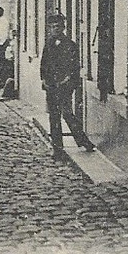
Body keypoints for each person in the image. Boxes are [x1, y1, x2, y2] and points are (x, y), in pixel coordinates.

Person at [39, 12, 95, 157]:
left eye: (57, 26)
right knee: (54, 116)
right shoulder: (49, 44)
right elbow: (44, 64)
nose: (54, 29)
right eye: (51, 27)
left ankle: (84, 141)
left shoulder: (70, 45)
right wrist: (44, 79)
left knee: (67, 113)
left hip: (65, 86)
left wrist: (66, 80)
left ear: (63, 28)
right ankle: (57, 148)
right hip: (51, 85)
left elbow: (74, 66)